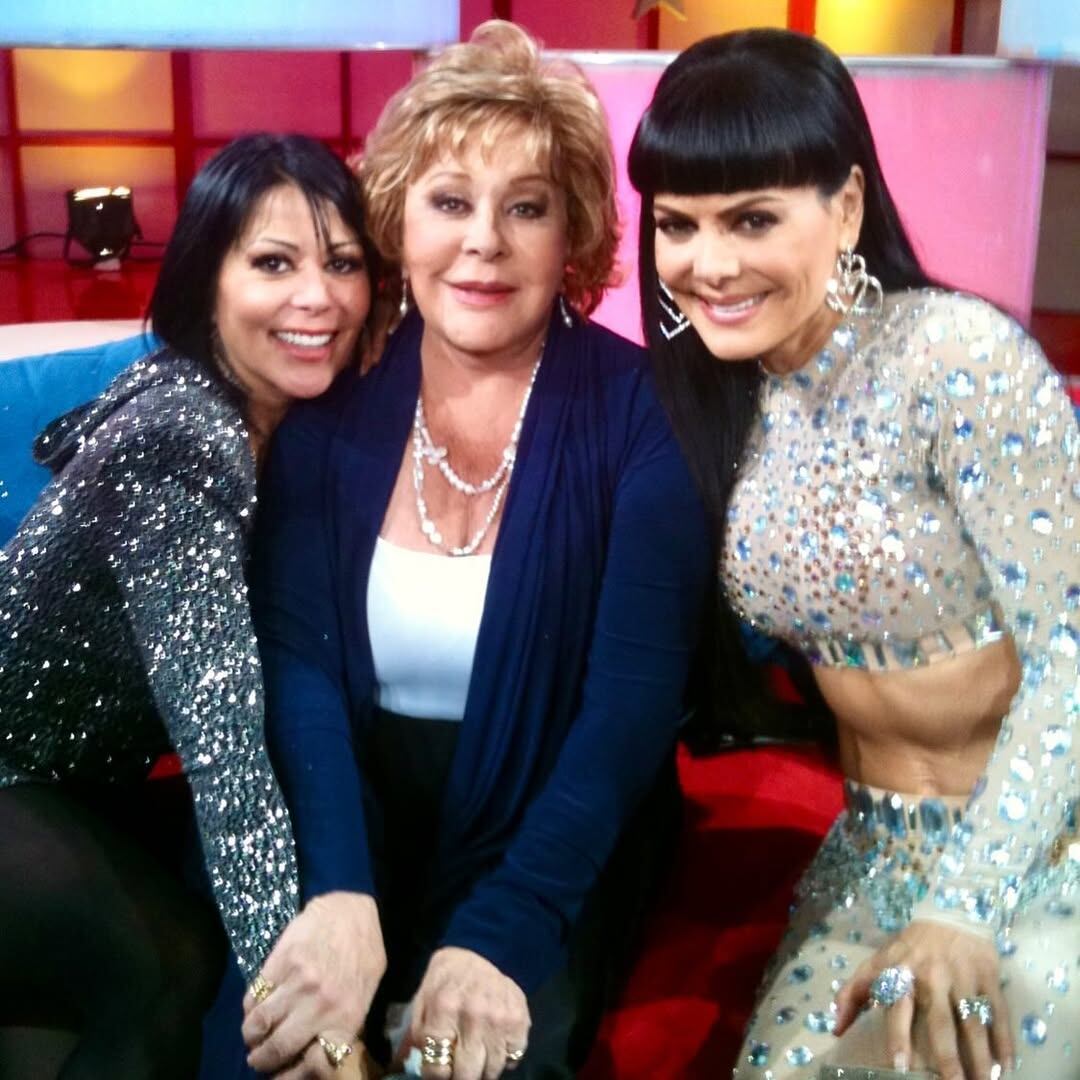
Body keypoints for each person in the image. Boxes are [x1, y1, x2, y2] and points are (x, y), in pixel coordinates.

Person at [241, 21, 711, 1080]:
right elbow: (300, 668)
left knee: (474, 1063)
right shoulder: (334, 394)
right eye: (450, 202)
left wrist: (504, 930)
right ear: (398, 219)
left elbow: (627, 717)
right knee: (276, 1048)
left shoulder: (642, 414)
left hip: (554, 835)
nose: (485, 242)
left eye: (526, 207)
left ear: (573, 232)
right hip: (347, 812)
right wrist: (339, 891)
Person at [628, 28, 1079, 1080]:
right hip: (873, 857)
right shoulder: (723, 396)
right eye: (678, 224)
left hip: (1043, 848)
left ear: (846, 208)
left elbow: (1071, 647)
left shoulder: (955, 359)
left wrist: (964, 905)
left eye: (752, 219)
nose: (708, 265)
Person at [0, 133, 379, 1078]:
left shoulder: (268, 416)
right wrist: (317, 1027)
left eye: (343, 264)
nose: (318, 297)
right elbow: (225, 754)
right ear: (208, 278)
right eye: (274, 263)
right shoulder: (183, 439)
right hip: (12, 773)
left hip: (73, 781)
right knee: (165, 961)